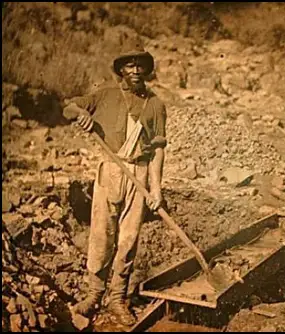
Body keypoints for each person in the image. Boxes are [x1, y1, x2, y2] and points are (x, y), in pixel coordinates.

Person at [63, 41, 167, 326]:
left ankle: (118, 299)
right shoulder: (105, 95)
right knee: (101, 235)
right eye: (129, 65)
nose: (135, 70)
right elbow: (68, 108)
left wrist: (155, 189)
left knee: (128, 239)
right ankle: (94, 293)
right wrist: (81, 114)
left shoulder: (155, 104)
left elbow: (158, 149)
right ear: (121, 69)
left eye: (140, 65)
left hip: (140, 175)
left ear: (147, 69)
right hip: (110, 171)